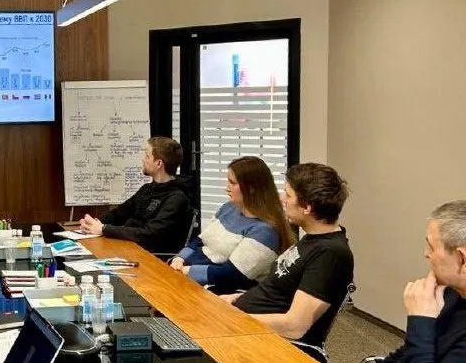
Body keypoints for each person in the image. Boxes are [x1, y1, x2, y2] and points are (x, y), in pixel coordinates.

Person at [221, 162, 353, 361]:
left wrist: (234, 319)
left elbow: (294, 326)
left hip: (275, 344)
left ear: (307, 207)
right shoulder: (312, 240)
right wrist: (236, 298)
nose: (283, 199)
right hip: (249, 329)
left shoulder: (331, 254)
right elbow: (277, 291)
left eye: (288, 195)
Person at [169, 156, 295, 294]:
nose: (227, 188)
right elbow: (201, 240)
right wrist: (180, 258)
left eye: (232, 183)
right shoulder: (228, 207)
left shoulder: (265, 231)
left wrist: (187, 271)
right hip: (189, 272)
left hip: (218, 289)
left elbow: (233, 274)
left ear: (251, 188)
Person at [381, 200, 466, 363]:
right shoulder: (451, 293)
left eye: (432, 247)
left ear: (462, 259)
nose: (426, 254)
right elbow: (406, 354)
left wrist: (421, 321)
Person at [79, 136, 192, 254]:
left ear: (159, 163)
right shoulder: (146, 189)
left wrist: (104, 229)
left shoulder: (176, 198)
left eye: (147, 156)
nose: (143, 159)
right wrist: (93, 223)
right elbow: (119, 213)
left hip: (150, 256)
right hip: (129, 247)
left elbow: (149, 234)